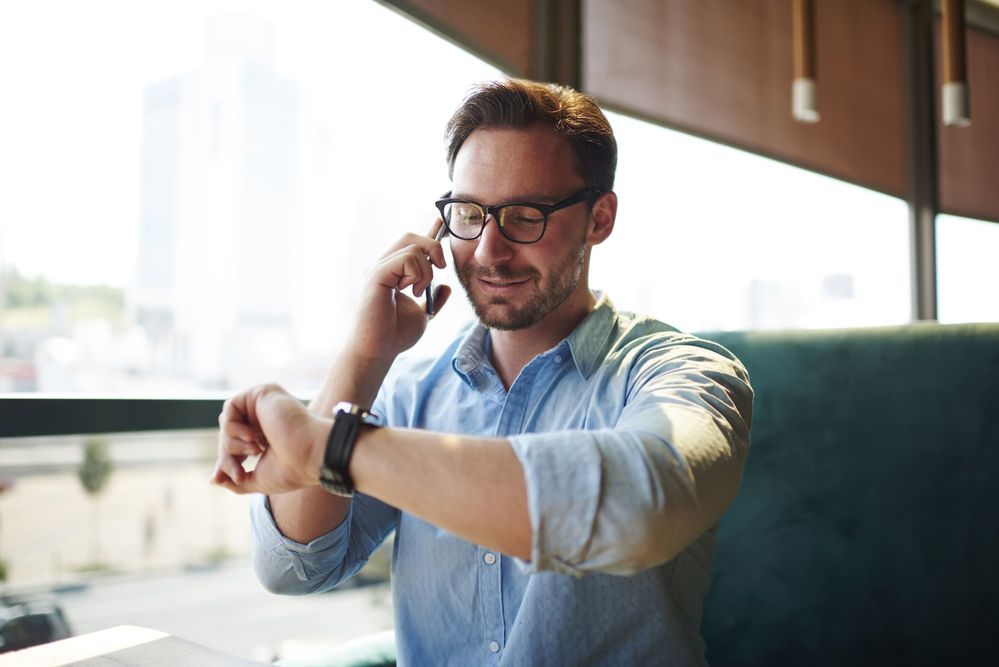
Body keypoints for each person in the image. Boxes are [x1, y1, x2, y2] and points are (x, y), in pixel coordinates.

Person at [213, 79, 753, 666]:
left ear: (600, 218)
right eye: (470, 213)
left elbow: (643, 503)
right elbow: (292, 567)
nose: (490, 251)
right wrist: (366, 359)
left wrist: (333, 448)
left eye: (526, 216)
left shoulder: (683, 371)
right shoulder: (411, 390)